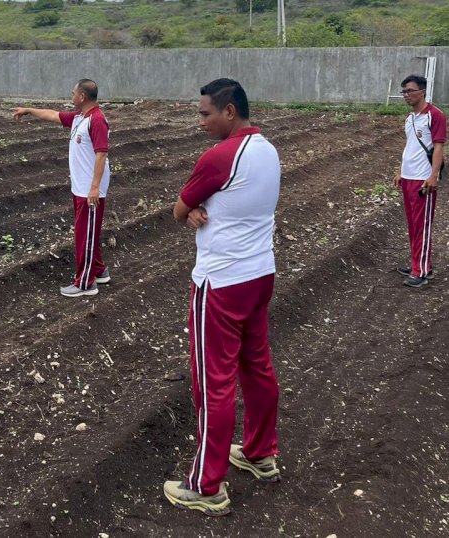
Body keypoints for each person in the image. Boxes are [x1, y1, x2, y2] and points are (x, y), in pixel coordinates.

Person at [162, 79, 282, 515]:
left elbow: (177, 210)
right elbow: (236, 204)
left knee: (213, 383)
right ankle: (260, 453)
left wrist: (190, 210)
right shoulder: (267, 149)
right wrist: (200, 209)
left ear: (229, 112)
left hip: (221, 283)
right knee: (258, 367)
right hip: (259, 275)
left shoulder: (219, 157)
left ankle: (206, 485)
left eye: (204, 113)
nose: (200, 121)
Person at [11, 79, 111, 297]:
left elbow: (102, 154)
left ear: (82, 97)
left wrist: (94, 188)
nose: (71, 95)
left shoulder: (97, 120)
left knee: (84, 235)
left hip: (89, 190)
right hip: (81, 187)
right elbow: (52, 115)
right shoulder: (79, 118)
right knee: (88, 232)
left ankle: (85, 283)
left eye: (73, 92)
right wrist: (28, 110)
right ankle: (99, 271)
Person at [392, 74, 446, 288]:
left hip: (423, 181)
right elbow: (410, 147)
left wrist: (433, 175)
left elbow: (439, 147)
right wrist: (400, 172)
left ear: (422, 91)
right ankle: (418, 262)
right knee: (413, 225)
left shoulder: (435, 115)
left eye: (410, 91)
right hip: (408, 178)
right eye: (404, 91)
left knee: (422, 225)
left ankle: (422, 271)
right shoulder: (410, 118)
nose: (406, 95)